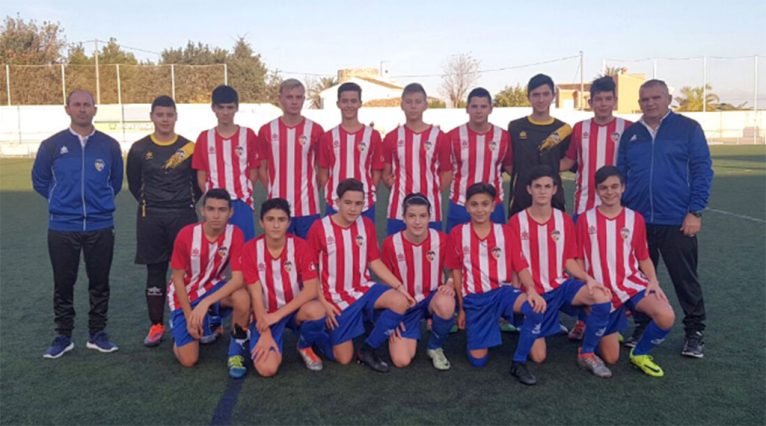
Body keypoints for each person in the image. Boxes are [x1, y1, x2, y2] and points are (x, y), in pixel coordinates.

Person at [617, 79, 713, 358]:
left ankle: (694, 332)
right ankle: (642, 325)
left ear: (668, 98)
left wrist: (695, 211)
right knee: (637, 279)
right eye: (644, 99)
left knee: (684, 278)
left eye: (656, 97)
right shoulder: (632, 134)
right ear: (639, 103)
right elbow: (621, 175)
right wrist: (624, 214)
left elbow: (702, 170)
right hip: (638, 221)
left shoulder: (687, 128)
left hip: (677, 219)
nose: (650, 103)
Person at [33, 89, 123, 359]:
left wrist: (98, 203)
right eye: (77, 104)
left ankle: (97, 334)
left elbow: (115, 182)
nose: (82, 109)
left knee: (99, 282)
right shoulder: (51, 145)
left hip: (100, 225)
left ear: (95, 109)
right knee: (63, 282)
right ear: (67, 109)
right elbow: (39, 180)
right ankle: (63, 335)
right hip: (62, 226)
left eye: (87, 105)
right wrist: (60, 201)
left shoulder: (109, 145)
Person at [506, 165, 614, 382]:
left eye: (547, 186)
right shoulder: (517, 221)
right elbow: (517, 265)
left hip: (560, 287)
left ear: (555, 189)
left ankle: (587, 353)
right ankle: (529, 322)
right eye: (537, 186)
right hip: (535, 292)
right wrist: (527, 291)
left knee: (601, 297)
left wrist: (588, 278)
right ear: (529, 189)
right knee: (538, 357)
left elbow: (568, 260)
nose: (542, 191)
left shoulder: (563, 220)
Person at [306, 178, 415, 372]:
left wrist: (400, 287)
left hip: (363, 289)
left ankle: (368, 349)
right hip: (336, 298)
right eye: (348, 203)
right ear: (337, 202)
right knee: (343, 358)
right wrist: (323, 301)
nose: (353, 208)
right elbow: (310, 269)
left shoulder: (366, 225)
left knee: (400, 301)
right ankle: (319, 338)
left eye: (358, 204)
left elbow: (374, 261)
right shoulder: (319, 228)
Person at [577, 166, 675, 377]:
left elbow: (643, 256)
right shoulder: (585, 220)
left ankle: (640, 354)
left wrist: (654, 281)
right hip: (602, 290)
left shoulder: (635, 218)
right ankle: (600, 322)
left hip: (631, 284)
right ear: (597, 191)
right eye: (604, 188)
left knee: (666, 316)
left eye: (614, 186)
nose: (609, 192)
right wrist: (586, 292)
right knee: (611, 358)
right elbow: (577, 259)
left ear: (623, 188)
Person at [444, 183, 546, 384]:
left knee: (535, 308)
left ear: (493, 206)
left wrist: (532, 290)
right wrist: (462, 309)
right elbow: (456, 272)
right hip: (475, 300)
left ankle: (518, 362)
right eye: (474, 204)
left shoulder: (505, 232)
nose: (479, 209)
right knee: (477, 360)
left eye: (485, 204)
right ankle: (488, 325)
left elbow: (520, 265)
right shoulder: (457, 233)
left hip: (502, 293)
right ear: (466, 207)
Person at [559, 76, 633, 340]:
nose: (603, 104)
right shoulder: (580, 128)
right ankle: (584, 319)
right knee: (583, 265)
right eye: (598, 99)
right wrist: (536, 167)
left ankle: (614, 320)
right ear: (590, 102)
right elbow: (569, 160)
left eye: (608, 98)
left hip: (615, 210)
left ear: (615, 100)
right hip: (584, 207)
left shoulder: (628, 127)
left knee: (614, 265)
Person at [127, 95, 199, 347]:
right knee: (155, 271)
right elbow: (135, 184)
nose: (165, 119)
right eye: (160, 115)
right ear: (152, 117)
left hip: (184, 215)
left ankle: (197, 321)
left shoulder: (190, 147)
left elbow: (197, 185)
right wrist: (155, 203)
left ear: (176, 116)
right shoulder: (138, 148)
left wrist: (182, 202)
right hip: (152, 218)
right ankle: (156, 325)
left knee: (191, 272)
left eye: (169, 115)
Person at [167, 189, 252, 378]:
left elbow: (238, 279)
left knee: (242, 296)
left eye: (222, 210)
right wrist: (190, 315)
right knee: (189, 360)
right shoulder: (186, 235)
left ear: (230, 213)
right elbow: (178, 279)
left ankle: (235, 353)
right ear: (202, 211)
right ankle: (181, 326)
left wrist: (205, 303)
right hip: (185, 294)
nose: (216, 215)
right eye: (211, 209)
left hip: (212, 288)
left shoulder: (235, 234)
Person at [242, 198, 328, 376]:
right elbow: (256, 295)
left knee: (317, 310)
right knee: (267, 369)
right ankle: (255, 337)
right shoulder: (250, 249)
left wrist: (279, 315)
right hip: (265, 313)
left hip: (294, 311)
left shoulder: (300, 246)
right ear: (261, 222)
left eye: (281, 220)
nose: (275, 225)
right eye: (270, 219)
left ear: (288, 223)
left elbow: (312, 289)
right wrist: (264, 332)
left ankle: (304, 346)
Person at [381, 193, 455, 370]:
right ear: (403, 218)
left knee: (446, 303)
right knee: (402, 360)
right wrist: (393, 315)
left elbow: (454, 269)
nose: (417, 222)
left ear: (430, 217)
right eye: (412, 216)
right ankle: (404, 330)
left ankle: (435, 346)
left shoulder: (442, 239)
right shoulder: (391, 243)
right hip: (406, 303)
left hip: (431, 298)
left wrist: (450, 283)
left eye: (422, 216)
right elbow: (385, 282)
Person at [257, 79, 324, 239]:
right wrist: (274, 189)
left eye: (299, 97)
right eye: (290, 97)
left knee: (310, 255)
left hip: (308, 208)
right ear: (280, 99)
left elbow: (321, 170)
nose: (295, 102)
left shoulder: (315, 130)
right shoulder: (266, 130)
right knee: (279, 254)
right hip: (277, 208)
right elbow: (262, 169)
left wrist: (311, 191)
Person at [382, 83, 452, 235]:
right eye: (408, 102)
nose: (413, 106)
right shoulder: (391, 137)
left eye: (418, 102)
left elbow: (447, 174)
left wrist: (432, 190)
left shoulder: (439, 137)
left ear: (425, 105)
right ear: (402, 105)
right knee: (397, 255)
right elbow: (386, 174)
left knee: (432, 256)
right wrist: (395, 186)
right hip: (398, 210)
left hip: (431, 210)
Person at [192, 85, 259, 242]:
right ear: (213, 108)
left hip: (241, 204)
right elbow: (201, 176)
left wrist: (243, 192)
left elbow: (254, 170)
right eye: (221, 107)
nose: (225, 112)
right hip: (215, 206)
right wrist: (213, 198)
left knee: (243, 251)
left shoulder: (248, 135)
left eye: (230, 107)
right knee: (215, 253)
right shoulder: (204, 137)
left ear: (236, 108)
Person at [446, 87, 512, 233]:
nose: (478, 110)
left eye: (483, 106)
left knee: (496, 250)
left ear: (491, 109)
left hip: (493, 204)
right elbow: (443, 169)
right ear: (467, 109)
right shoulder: (452, 136)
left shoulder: (503, 137)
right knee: (456, 250)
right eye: (474, 106)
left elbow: (509, 167)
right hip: (461, 203)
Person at [318, 82, 384, 222]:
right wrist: (333, 195)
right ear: (338, 104)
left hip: (364, 204)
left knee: (364, 243)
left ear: (360, 103)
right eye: (345, 101)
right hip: (335, 203)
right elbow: (323, 171)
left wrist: (367, 191)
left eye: (353, 101)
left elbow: (376, 171)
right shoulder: (328, 137)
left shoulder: (373, 135)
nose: (349, 105)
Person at [507, 74, 571, 217]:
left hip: (553, 198)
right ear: (528, 97)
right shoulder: (515, 127)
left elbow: (569, 161)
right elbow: (508, 162)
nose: (541, 99)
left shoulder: (563, 129)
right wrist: (524, 173)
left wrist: (550, 169)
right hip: (521, 198)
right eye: (536, 95)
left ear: (553, 96)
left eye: (545, 94)